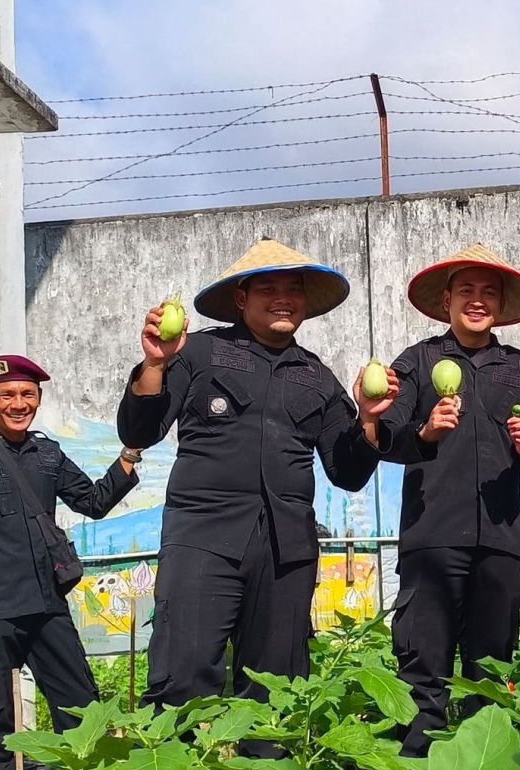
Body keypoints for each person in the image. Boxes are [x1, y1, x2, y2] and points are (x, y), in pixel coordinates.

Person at [116, 238, 395, 739]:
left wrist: (370, 423)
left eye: (293, 288)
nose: (282, 297)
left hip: (286, 552)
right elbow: (139, 433)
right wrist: (155, 365)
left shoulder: (317, 377)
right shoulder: (198, 352)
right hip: (204, 539)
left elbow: (347, 472)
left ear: (306, 302)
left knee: (276, 690)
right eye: (267, 287)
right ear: (241, 298)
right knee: (182, 679)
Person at [370, 244, 520, 770]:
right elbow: (387, 435)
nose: (477, 301)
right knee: (422, 673)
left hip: (499, 541)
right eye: (466, 292)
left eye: (488, 292)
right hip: (431, 538)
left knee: (489, 673)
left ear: (500, 304)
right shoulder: (417, 361)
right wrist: (424, 432)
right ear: (446, 300)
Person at [0, 355, 139, 770]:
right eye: (6, 395)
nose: (17, 403)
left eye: (27, 394)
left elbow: (93, 502)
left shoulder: (48, 455)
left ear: (38, 399)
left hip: (46, 606)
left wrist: (129, 455)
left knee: (81, 707)